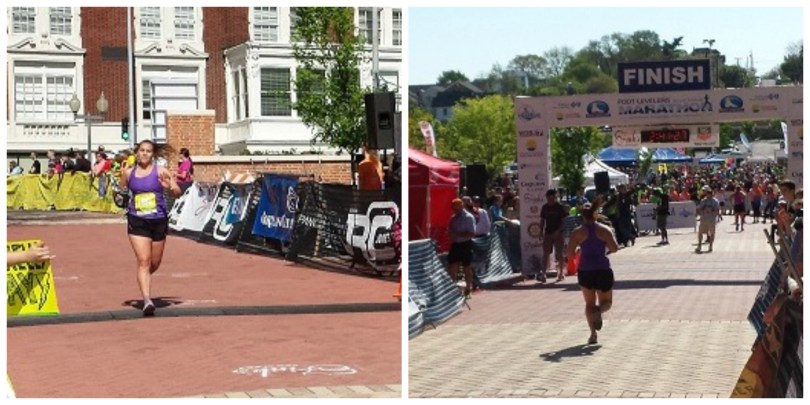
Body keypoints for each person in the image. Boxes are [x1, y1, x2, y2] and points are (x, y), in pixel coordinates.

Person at [119, 140, 182, 316]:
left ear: (153, 154)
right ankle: (147, 300)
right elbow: (120, 192)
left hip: (158, 220)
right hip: (137, 220)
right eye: (142, 150)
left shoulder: (161, 172)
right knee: (144, 260)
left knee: (154, 263)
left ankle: (143, 275)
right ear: (136, 153)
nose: (145, 154)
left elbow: (177, 192)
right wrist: (120, 197)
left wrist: (168, 186)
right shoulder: (129, 173)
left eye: (148, 151)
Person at [566, 201, 619, 345]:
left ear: (582, 216)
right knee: (606, 303)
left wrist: (579, 251)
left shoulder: (577, 232)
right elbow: (614, 248)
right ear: (595, 214)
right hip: (602, 269)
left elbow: (569, 253)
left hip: (585, 270)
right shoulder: (604, 229)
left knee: (589, 303)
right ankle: (598, 311)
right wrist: (604, 246)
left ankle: (592, 334)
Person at [447, 198, 476, 298]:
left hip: (466, 244)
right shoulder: (453, 218)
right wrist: (450, 233)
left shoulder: (469, 217)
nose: (454, 210)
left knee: (466, 267)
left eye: (456, 208)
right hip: (456, 244)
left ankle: (468, 288)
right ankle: (453, 289)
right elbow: (450, 230)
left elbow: (471, 233)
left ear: (461, 206)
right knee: (452, 266)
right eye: (453, 208)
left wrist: (458, 234)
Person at [539, 188, 568, 282]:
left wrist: (559, 231)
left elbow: (564, 222)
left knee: (559, 253)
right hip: (548, 232)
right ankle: (543, 273)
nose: (549, 199)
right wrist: (540, 231)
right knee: (545, 253)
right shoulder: (545, 207)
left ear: (554, 197)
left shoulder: (559, 207)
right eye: (548, 197)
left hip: (558, 233)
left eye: (551, 197)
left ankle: (561, 273)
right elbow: (542, 220)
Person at [695, 186, 720, 253]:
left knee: (712, 233)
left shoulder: (715, 201)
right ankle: (699, 245)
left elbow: (717, 210)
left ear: (712, 194)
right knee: (700, 232)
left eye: (709, 194)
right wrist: (701, 211)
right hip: (703, 219)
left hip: (711, 219)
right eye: (707, 194)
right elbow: (699, 208)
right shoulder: (703, 200)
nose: (708, 195)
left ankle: (711, 245)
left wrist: (712, 210)